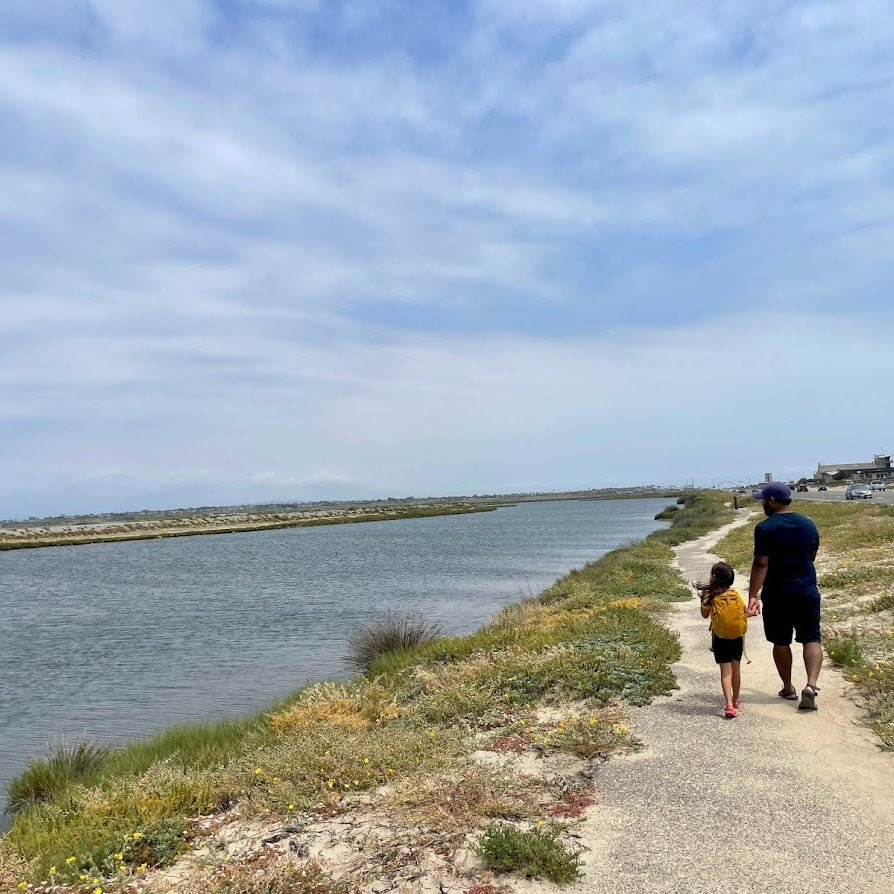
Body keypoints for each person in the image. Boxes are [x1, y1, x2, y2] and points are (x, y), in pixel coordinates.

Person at [747, 482, 822, 711]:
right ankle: (811, 685)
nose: (761, 504)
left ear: (771, 501)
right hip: (807, 591)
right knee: (811, 638)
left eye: (763, 500)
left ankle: (788, 687)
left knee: (781, 641)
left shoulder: (765, 528)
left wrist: (752, 594)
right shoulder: (808, 524)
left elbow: (761, 563)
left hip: (778, 593)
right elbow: (812, 555)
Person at [696, 561, 748, 718]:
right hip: (737, 636)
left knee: (726, 673)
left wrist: (704, 601)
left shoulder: (709, 595)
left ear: (713, 577)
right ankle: (737, 699)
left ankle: (729, 705)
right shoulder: (736, 593)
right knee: (736, 669)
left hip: (720, 637)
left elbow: (705, 615)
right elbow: (744, 611)